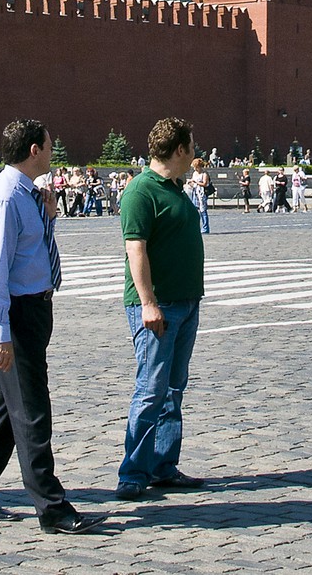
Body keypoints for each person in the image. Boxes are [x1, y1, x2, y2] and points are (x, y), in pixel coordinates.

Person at [0, 118, 106, 535]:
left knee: (8, 409)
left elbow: (31, 250)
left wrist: (50, 216)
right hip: (18, 316)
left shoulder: (28, 194)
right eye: (49, 145)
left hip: (35, 310)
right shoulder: (6, 198)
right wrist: (0, 334)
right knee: (32, 413)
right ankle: (52, 507)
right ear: (33, 151)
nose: (53, 152)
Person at [116, 118, 206, 501]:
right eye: (192, 146)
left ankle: (163, 465)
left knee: (173, 388)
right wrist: (149, 303)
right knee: (151, 389)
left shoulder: (175, 188)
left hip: (185, 302)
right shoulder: (141, 191)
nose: (196, 153)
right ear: (179, 149)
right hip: (159, 306)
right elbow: (135, 250)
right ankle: (133, 472)